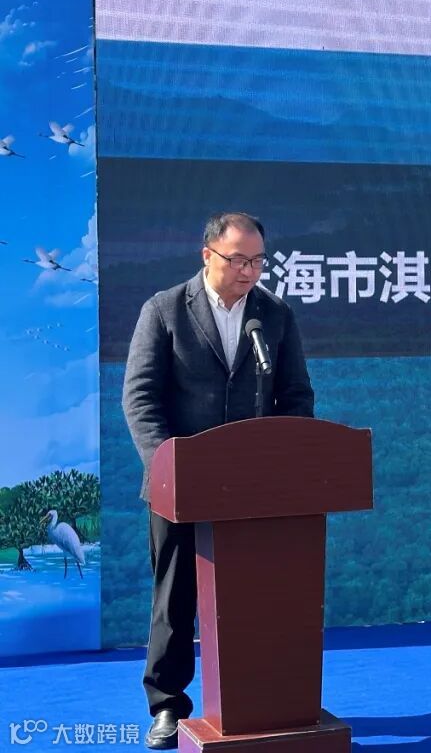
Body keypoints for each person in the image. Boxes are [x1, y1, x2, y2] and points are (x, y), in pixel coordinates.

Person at [122, 212, 315, 749]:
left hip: (255, 490)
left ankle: (259, 699)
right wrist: (169, 466)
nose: (249, 271)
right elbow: (140, 398)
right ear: (207, 255)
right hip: (180, 488)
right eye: (238, 260)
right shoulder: (164, 310)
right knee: (175, 598)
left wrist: (282, 459)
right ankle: (167, 704)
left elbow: (296, 395)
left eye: (257, 261)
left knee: (257, 598)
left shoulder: (274, 316)